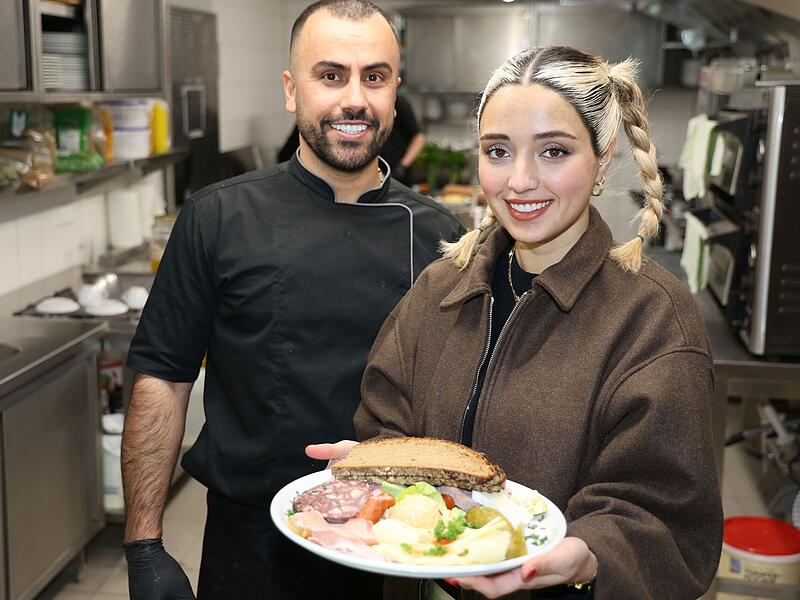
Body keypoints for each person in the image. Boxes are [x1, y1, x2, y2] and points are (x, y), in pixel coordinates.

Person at [309, 46, 723, 599]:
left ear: (603, 157)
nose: (520, 180)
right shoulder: (440, 290)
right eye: (498, 151)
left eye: (554, 151)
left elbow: (665, 513)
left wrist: (588, 551)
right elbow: (385, 418)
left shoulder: (653, 320)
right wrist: (387, 464)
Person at [121, 1, 463, 599]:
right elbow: (162, 377)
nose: (354, 99)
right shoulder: (217, 217)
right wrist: (143, 543)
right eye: (330, 75)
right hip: (251, 551)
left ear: (394, 92)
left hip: (395, 547)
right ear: (291, 89)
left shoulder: (442, 236)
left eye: (374, 77)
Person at [277, 95, 426, 184]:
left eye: (372, 78)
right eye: (331, 77)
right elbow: (285, 155)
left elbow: (418, 137)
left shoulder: (399, 104)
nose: (355, 103)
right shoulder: (311, 121)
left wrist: (403, 166)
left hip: (395, 176)